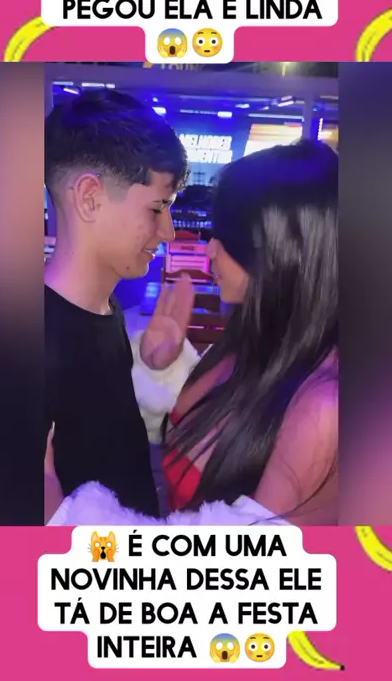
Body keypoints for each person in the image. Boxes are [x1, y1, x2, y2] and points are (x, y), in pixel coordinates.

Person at [46, 139, 338, 527]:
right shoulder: (246, 342)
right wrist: (160, 371)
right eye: (157, 208)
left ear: (286, 250)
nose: (208, 250)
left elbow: (244, 562)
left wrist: (62, 517)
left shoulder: (325, 409)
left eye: (227, 236)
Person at [44, 91, 193, 523]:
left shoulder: (107, 313)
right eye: (158, 208)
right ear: (90, 197)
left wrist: (152, 370)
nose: (168, 231)